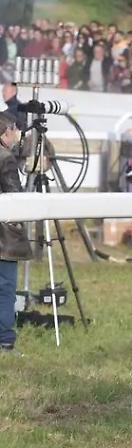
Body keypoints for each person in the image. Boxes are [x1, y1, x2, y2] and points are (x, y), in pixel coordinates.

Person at [0, 112, 32, 353]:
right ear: (6, 132)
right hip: (2, 236)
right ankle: (5, 339)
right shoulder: (6, 158)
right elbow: (14, 197)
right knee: (5, 288)